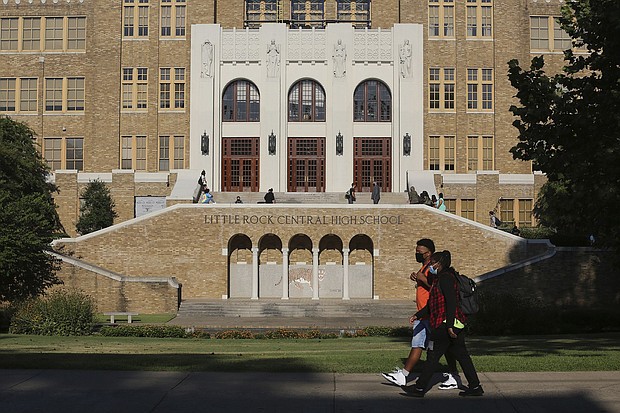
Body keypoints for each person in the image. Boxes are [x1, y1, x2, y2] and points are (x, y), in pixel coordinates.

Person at [402, 251, 484, 398]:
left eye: (432, 263)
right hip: (451, 324)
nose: (430, 266)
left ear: (438, 264)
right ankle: (475, 386)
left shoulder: (445, 278)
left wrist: (450, 325)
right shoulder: (440, 278)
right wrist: (418, 315)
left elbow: (451, 301)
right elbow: (432, 303)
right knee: (462, 356)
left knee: (432, 356)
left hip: (444, 324)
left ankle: (420, 388)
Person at [382, 239, 459, 390]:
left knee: (445, 347)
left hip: (432, 314)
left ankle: (453, 375)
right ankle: (403, 376)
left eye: (419, 252)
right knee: (417, 344)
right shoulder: (424, 267)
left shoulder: (434, 268)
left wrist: (422, 280)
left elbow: (437, 289)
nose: (417, 254)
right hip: (422, 313)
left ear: (428, 253)